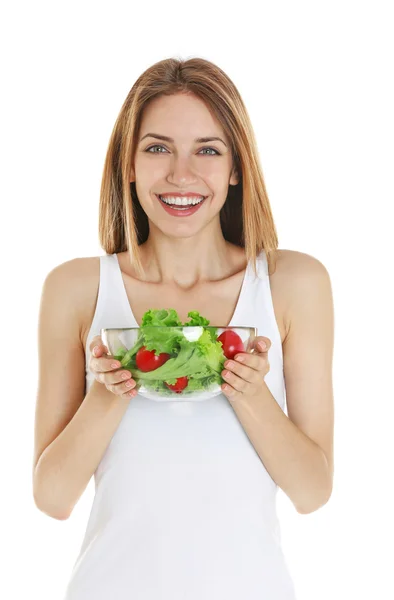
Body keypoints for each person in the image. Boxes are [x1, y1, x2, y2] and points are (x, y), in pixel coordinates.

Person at [33, 56, 334, 600]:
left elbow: (313, 491)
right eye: (157, 148)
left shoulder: (294, 283)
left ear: (236, 167)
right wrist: (109, 390)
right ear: (127, 163)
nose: (180, 174)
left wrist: (249, 392)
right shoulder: (75, 289)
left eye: (208, 150)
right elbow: (52, 498)